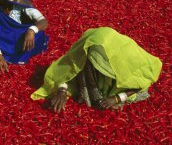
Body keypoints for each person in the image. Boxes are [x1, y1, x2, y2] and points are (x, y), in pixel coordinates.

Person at [31, 27, 162, 112]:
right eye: (93, 62)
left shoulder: (129, 58)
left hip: (125, 76)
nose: (95, 66)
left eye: (98, 64)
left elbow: (142, 83)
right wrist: (62, 91)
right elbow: (67, 69)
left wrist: (116, 98)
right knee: (82, 68)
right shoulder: (85, 50)